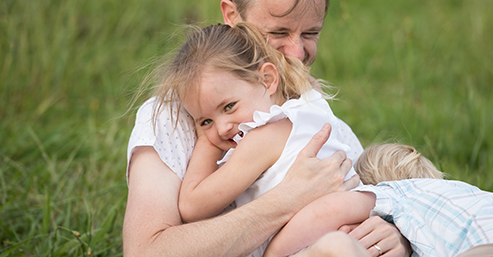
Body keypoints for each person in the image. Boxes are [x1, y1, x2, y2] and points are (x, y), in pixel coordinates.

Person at [123, 0, 411, 256]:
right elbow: (146, 252)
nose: (297, 52)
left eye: (311, 33)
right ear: (233, 16)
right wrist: (285, 200)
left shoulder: (316, 118)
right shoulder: (171, 118)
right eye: (278, 32)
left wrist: (396, 236)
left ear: (268, 79)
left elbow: (373, 201)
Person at [166, 22, 376, 256]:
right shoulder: (309, 99)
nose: (223, 128)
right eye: (206, 121)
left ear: (267, 79)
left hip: (313, 233)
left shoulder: (261, 140)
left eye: (229, 106)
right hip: (357, 214)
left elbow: (192, 205)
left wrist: (206, 141)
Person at [267, 143, 493, 257]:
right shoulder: (471, 195)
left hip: (488, 252)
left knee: (335, 248)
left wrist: (275, 253)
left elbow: (328, 210)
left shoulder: (395, 193)